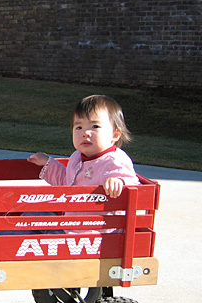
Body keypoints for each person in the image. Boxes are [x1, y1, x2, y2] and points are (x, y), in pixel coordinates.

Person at [28, 95, 139, 232]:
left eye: (95, 126)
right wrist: (47, 163)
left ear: (115, 135)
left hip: (95, 234)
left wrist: (119, 182)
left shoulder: (114, 160)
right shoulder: (77, 157)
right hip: (70, 225)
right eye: (79, 127)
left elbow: (134, 186)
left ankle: (4, 245)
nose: (85, 133)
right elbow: (66, 183)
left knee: (32, 227)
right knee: (34, 214)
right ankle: (1, 241)